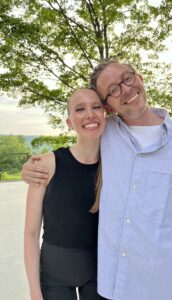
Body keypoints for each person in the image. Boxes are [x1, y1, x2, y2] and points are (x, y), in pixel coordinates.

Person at [22, 59, 172, 300]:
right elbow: (79, 147)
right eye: (113, 90)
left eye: (127, 78)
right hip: (118, 290)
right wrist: (32, 167)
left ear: (139, 77)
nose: (126, 89)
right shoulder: (107, 133)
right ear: (108, 106)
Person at [24, 88, 106, 300]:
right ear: (69, 123)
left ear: (106, 115)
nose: (90, 114)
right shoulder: (46, 164)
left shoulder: (115, 164)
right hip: (55, 274)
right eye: (80, 109)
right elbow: (31, 234)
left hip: (98, 272)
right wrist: (35, 292)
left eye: (96, 107)